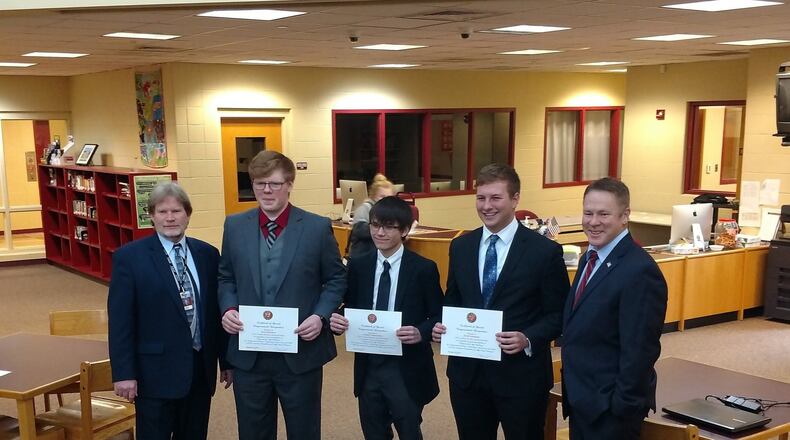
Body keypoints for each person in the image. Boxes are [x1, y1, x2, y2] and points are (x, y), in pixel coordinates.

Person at [432, 163, 570, 439]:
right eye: (481, 198)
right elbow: (454, 299)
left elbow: (560, 314)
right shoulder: (461, 247)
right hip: (468, 375)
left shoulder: (544, 252)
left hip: (521, 377)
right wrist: (442, 324)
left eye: (496, 198)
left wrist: (528, 338)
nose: (487, 206)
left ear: (515, 199)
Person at [218, 150, 346, 440]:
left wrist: (320, 316)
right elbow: (226, 276)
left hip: (301, 351)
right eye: (259, 183)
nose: (266, 190)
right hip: (250, 353)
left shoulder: (316, 227)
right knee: (253, 432)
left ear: (289, 184)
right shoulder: (235, 226)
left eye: (274, 183)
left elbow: (337, 278)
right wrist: (227, 309)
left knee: (303, 431)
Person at [108, 181, 231, 439]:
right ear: (151, 216)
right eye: (162, 212)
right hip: (154, 375)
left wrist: (226, 361)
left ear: (188, 214)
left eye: (176, 211)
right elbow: (120, 323)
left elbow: (215, 313)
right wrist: (124, 374)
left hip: (199, 372)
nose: (170, 218)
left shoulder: (208, 254)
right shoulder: (129, 258)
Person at [561, 177, 668, 439]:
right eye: (588, 213)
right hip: (582, 401)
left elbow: (640, 350)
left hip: (610, 411)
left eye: (603, 214)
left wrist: (621, 408)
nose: (593, 221)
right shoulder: (590, 257)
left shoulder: (639, 270)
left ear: (624, 216)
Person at [330, 196, 443, 440]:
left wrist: (421, 332)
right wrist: (337, 319)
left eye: (389, 226)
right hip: (369, 364)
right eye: (374, 225)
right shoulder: (359, 266)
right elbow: (348, 306)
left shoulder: (423, 268)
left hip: (406, 365)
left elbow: (439, 314)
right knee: (373, 429)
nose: (379, 232)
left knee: (409, 428)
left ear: (404, 230)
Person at [348, 173, 395, 257]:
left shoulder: (393, 211)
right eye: (382, 196)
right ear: (373, 196)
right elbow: (359, 231)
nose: (386, 200)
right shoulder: (365, 208)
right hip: (364, 255)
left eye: (389, 197)